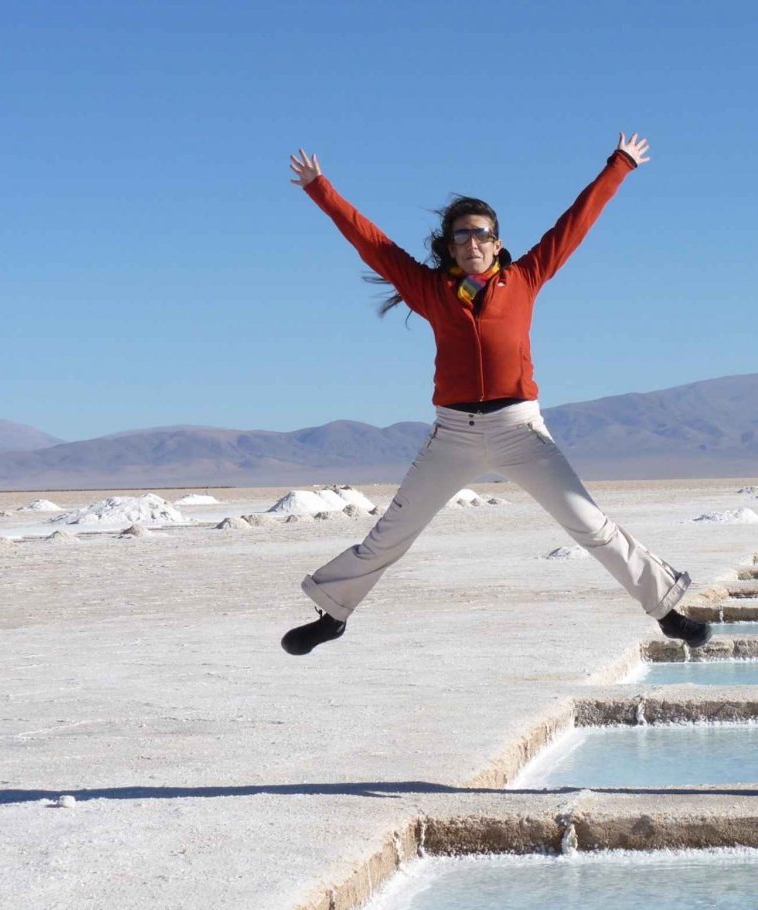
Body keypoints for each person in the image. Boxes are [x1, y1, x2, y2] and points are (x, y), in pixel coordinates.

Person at [280, 133, 711, 655]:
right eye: (461, 237)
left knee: (589, 523)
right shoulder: (431, 290)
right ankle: (333, 613)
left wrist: (618, 165)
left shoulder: (526, 276)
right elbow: (371, 242)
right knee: (392, 533)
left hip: (518, 430)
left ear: (498, 242)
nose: (472, 244)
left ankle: (666, 608)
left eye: (481, 235)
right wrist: (318, 188)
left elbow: (574, 224)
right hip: (453, 435)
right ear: (451, 246)